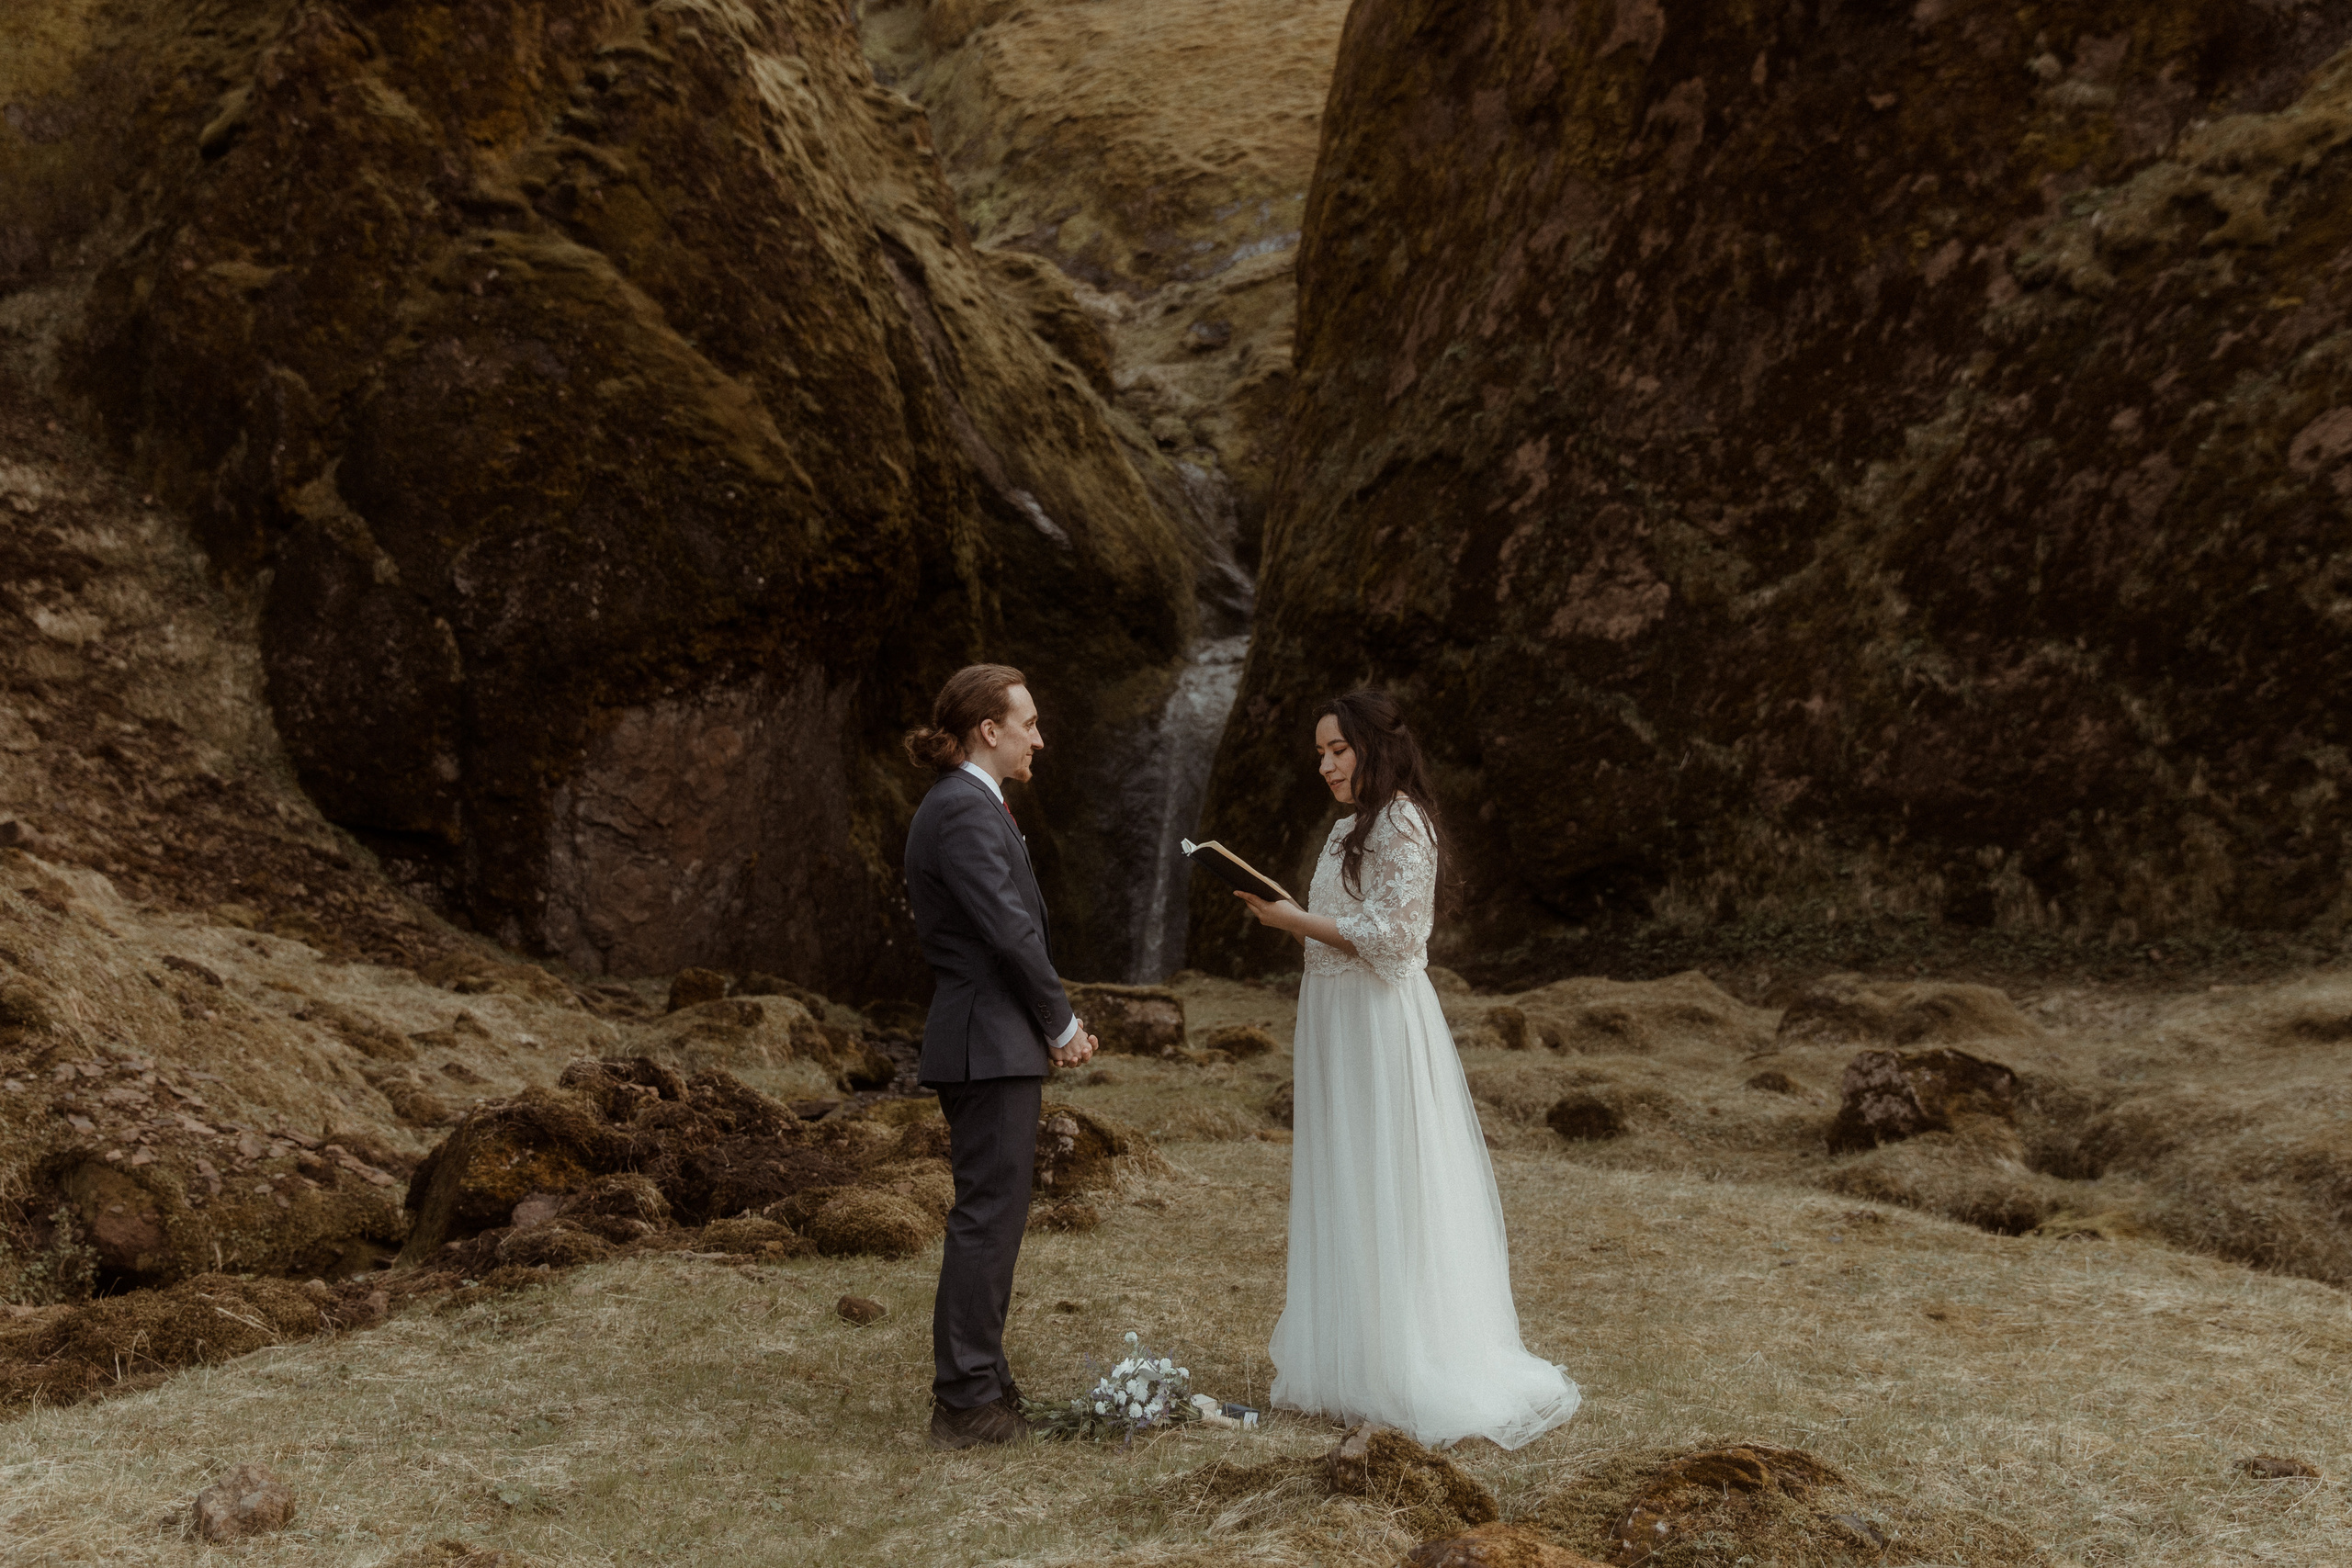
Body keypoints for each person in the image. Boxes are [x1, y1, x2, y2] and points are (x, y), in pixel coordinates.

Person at [1234, 689, 1579, 1450]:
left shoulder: (1404, 823)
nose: (1324, 764)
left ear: (1374, 747)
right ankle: (1353, 1356)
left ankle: (1404, 1360)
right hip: (1331, 1018)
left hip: (1378, 1021)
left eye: (1337, 750)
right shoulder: (1344, 829)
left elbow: (1394, 936)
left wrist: (1296, 920)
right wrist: (1292, 917)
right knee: (1345, 1173)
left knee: (1386, 1173)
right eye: (1319, 753)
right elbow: (1338, 930)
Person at [902, 664, 1099, 1450]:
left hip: (990, 1038)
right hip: (988, 1039)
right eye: (1030, 722)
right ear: (991, 728)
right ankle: (966, 1400)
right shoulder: (962, 811)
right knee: (987, 1217)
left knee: (995, 1215)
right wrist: (1062, 1024)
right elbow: (1008, 930)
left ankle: (982, 1382)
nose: (1039, 738)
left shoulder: (972, 806)